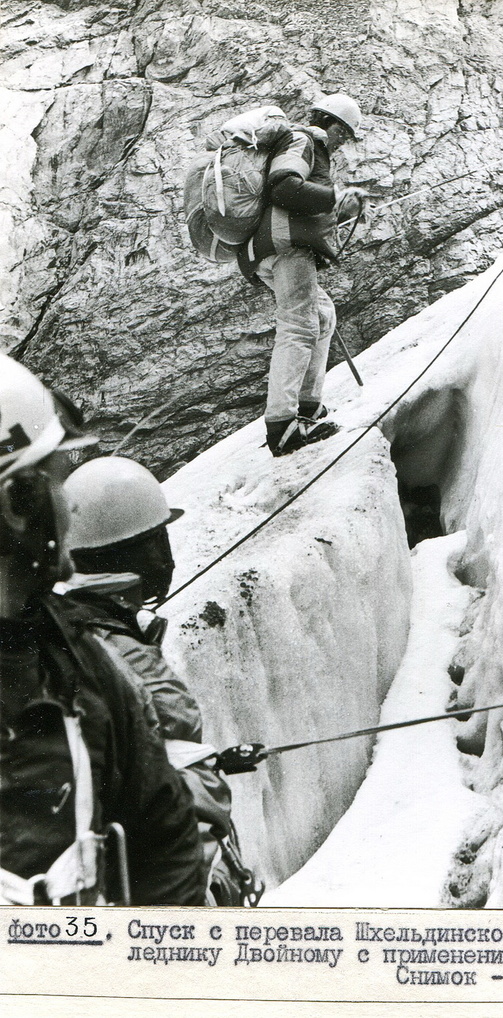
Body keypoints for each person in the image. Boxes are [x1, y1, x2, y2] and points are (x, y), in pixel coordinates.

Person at [0, 354, 205, 906]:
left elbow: (164, 845)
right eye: (57, 483)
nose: (69, 507)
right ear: (20, 505)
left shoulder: (86, 662)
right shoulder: (90, 668)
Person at [62, 454, 263, 905]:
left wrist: (199, 757)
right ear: (134, 550)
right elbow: (182, 805)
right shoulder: (124, 654)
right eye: (157, 540)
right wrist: (195, 766)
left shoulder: (74, 629)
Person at [237, 92, 367, 456]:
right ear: (331, 123)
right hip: (284, 248)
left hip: (274, 248)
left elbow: (303, 206)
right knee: (298, 325)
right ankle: (282, 425)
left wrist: (339, 207)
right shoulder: (303, 140)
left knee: (322, 316)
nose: (344, 143)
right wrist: (334, 197)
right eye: (344, 133)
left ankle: (308, 408)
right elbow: (284, 186)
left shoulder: (312, 148)